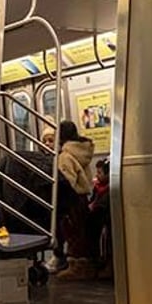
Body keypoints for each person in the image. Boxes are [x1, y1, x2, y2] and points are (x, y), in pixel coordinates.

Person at [52, 120, 96, 280]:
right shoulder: (83, 152)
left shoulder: (66, 156)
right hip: (83, 197)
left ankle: (76, 266)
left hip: (71, 199)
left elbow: (66, 181)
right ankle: (87, 265)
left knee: (72, 232)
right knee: (82, 231)